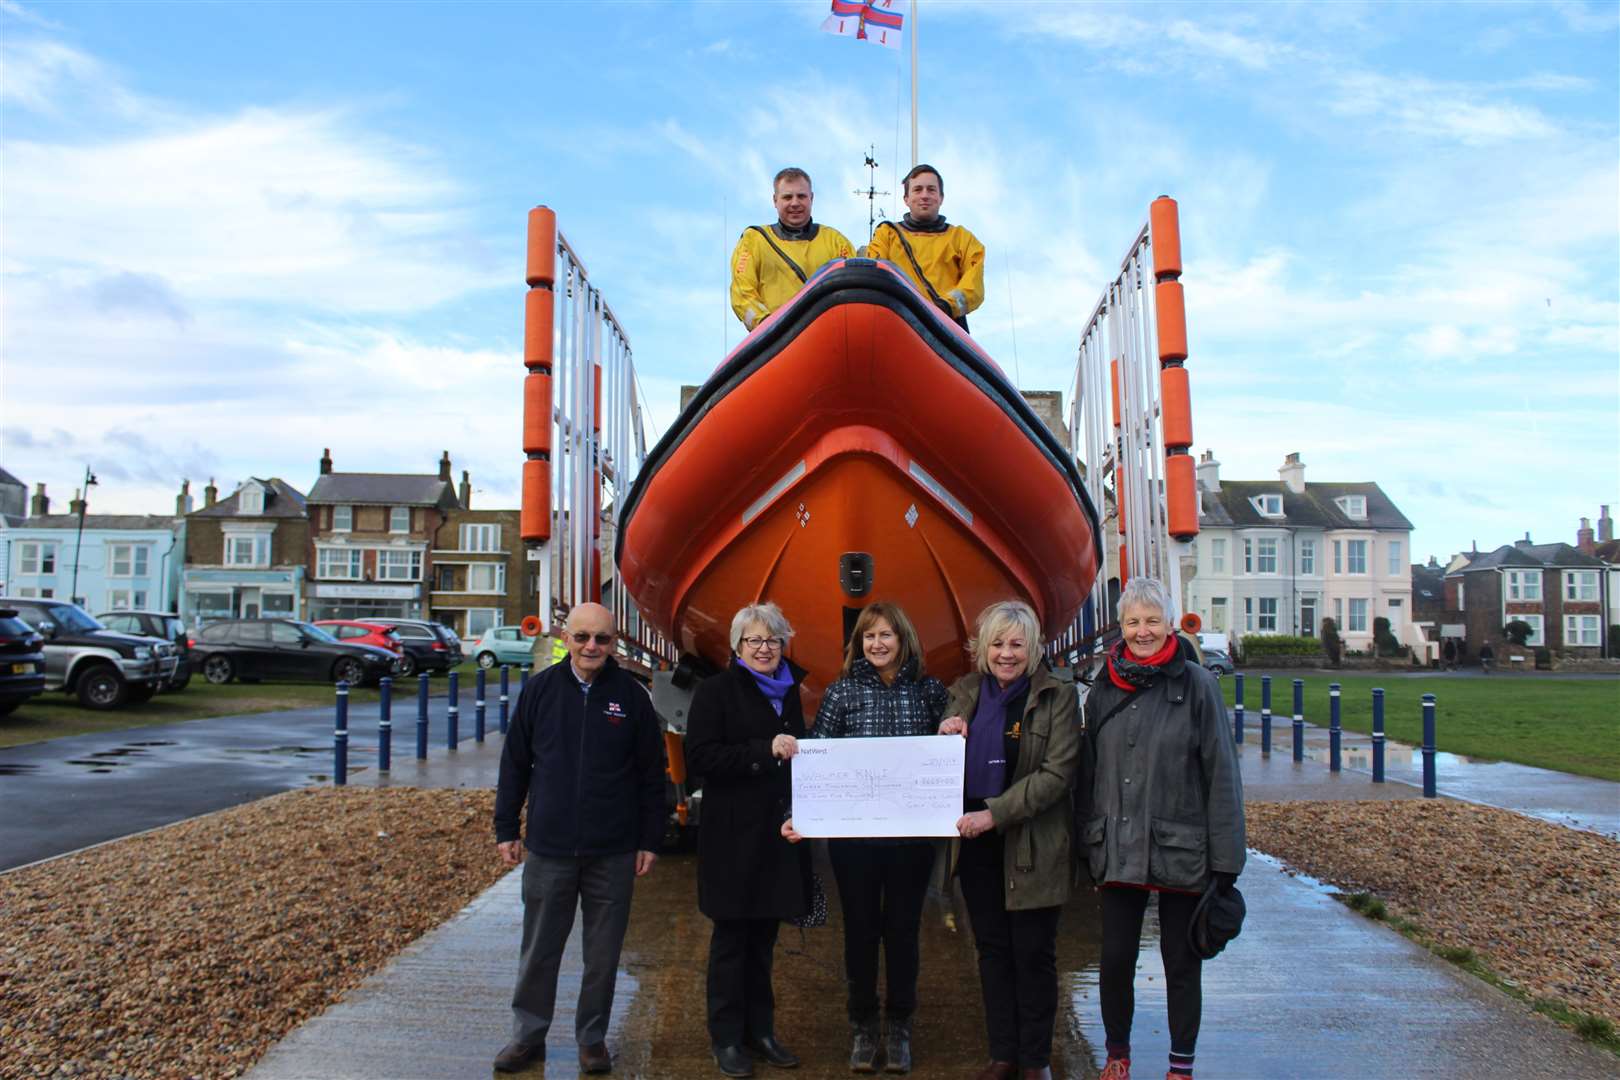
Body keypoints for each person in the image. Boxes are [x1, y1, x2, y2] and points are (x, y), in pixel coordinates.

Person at [1076, 578, 1245, 1080]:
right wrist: (1087, 841)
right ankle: (1117, 1054)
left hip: (1182, 847)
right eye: (1133, 622)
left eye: (1152, 621)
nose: (1143, 631)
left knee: (1181, 961)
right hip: (1118, 844)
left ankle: (1180, 1064)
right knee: (1115, 959)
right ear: (1121, 627)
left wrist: (1226, 863)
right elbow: (1088, 773)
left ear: (1170, 624)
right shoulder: (1103, 688)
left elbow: (1221, 774)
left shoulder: (1198, 686)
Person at [491, 603, 665, 1075]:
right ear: (567, 637)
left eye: (602, 639)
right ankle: (527, 1036)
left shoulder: (631, 698)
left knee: (603, 955)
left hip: (613, 848)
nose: (592, 647)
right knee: (539, 950)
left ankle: (592, 1040)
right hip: (549, 847)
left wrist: (651, 838)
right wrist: (506, 826)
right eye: (583, 637)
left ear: (614, 643)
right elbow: (515, 764)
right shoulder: (540, 691)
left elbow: (653, 774)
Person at [782, 601, 948, 1074]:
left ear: (903, 640)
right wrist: (801, 815)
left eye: (886, 635)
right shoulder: (841, 694)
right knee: (858, 934)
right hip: (854, 845)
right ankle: (862, 1024)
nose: (877, 644)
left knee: (902, 934)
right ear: (858, 644)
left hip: (911, 841)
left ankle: (898, 1025)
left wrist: (954, 731)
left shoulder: (930, 692)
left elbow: (949, 746)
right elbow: (819, 756)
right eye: (868, 636)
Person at [937, 600, 1079, 1080]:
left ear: (1034, 647)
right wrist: (945, 732)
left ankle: (1035, 1059)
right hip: (975, 844)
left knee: (1034, 954)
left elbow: (1057, 775)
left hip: (1031, 842)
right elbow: (936, 757)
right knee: (993, 951)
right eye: (997, 643)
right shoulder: (965, 692)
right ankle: (1002, 1054)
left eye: (1017, 644)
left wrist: (992, 815)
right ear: (982, 649)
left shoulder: (1058, 696)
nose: (1006, 653)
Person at [684, 603, 814, 1078]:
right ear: (737, 648)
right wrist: (764, 751)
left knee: (764, 941)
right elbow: (700, 757)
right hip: (732, 837)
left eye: (773, 640)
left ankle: (761, 1032)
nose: (764, 649)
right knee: (731, 942)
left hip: (777, 835)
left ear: (783, 645)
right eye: (754, 641)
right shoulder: (716, 692)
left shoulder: (790, 693)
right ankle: (726, 1038)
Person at [730, 167, 856, 331]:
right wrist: (766, 326)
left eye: (801, 196)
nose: (795, 203)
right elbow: (742, 293)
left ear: (811, 198)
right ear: (775, 200)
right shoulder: (754, 240)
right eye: (787, 197)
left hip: (827, 336)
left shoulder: (836, 241)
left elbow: (853, 286)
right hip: (777, 342)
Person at [867, 164, 985, 331]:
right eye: (917, 190)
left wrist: (946, 306)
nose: (925, 195)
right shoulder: (887, 235)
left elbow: (974, 285)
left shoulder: (961, 238)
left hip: (946, 330)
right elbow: (876, 275)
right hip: (898, 327)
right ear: (906, 199)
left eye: (931, 190)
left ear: (941, 197)